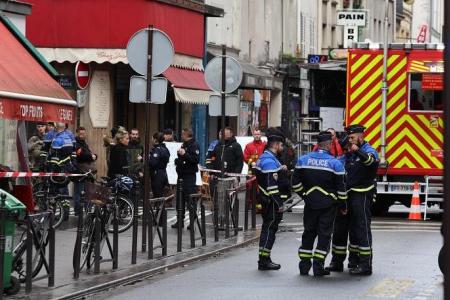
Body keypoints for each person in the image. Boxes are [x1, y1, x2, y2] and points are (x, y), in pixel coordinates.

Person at [292, 131, 347, 276]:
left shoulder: (303, 160)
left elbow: (295, 183)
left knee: (308, 233)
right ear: (329, 145)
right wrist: (342, 205)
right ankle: (318, 266)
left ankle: (304, 266)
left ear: (317, 144)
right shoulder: (335, 163)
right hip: (328, 205)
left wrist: (304, 195)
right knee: (324, 235)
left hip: (310, 204)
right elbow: (341, 189)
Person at [327, 124, 379, 276]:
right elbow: (336, 166)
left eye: (351, 137)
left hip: (361, 195)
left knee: (361, 229)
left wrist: (359, 151)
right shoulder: (347, 155)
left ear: (360, 136)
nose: (349, 141)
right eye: (348, 138)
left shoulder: (369, 150)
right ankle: (337, 262)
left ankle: (364, 264)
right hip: (345, 195)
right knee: (339, 229)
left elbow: (370, 161)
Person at [253, 127, 285, 271]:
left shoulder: (266, 158)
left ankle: (265, 258)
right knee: (269, 230)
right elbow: (272, 186)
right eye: (281, 145)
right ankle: (264, 260)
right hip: (271, 202)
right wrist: (279, 203)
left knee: (268, 229)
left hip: (266, 200)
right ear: (276, 145)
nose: (282, 148)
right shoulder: (270, 161)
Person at [173, 128, 200, 228]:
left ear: (187, 135)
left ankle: (192, 220)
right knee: (180, 198)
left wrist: (184, 154)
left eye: (183, 134)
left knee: (190, 198)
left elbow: (195, 160)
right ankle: (180, 220)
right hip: (181, 174)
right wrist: (178, 160)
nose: (181, 135)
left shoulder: (194, 145)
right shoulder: (184, 144)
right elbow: (182, 158)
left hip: (189, 175)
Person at [73, 127, 97, 215]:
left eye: (84, 133)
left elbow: (88, 153)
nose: (83, 135)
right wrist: (91, 156)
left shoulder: (84, 144)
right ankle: (78, 211)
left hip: (86, 172)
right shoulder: (76, 143)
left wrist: (93, 155)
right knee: (79, 192)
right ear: (77, 133)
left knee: (88, 191)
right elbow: (80, 155)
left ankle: (87, 209)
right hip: (80, 171)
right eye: (81, 133)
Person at [148, 132, 170, 198]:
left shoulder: (157, 150)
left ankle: (158, 208)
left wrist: (144, 159)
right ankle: (160, 208)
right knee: (161, 195)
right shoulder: (166, 149)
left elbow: (153, 163)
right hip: (164, 172)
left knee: (157, 194)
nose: (151, 140)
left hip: (157, 174)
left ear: (155, 140)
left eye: (152, 138)